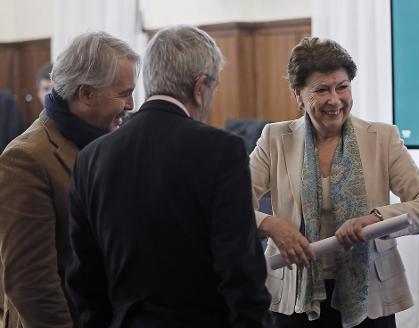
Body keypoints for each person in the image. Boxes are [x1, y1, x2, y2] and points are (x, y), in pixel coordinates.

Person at [65, 25, 272, 328]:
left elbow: (85, 277)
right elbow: (239, 268)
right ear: (200, 87)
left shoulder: (91, 158)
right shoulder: (222, 150)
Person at [251, 36, 419, 328]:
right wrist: (271, 225)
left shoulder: (381, 138)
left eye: (342, 87)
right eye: (321, 90)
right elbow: (228, 207)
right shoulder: (275, 139)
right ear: (298, 94)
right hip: (294, 298)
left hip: (370, 297)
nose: (335, 100)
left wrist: (376, 219)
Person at [0, 31, 138, 328]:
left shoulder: (106, 143)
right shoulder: (25, 159)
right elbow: (30, 285)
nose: (131, 104)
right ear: (86, 94)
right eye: (124, 93)